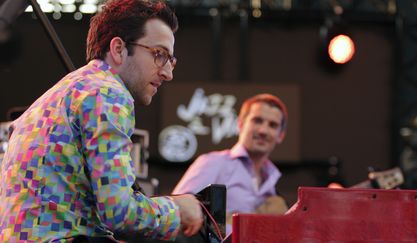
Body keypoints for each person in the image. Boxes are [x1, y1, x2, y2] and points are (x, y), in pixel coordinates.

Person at [0, 0, 203, 241]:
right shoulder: (107, 94)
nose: (168, 73)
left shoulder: (62, 94)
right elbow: (120, 213)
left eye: (171, 61)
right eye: (159, 55)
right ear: (118, 49)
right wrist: (178, 209)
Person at [173, 93, 289, 234]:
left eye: (272, 125)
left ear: (281, 135)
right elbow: (178, 209)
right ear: (240, 124)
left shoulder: (271, 182)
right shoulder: (214, 162)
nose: (263, 130)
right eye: (257, 120)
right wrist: (236, 231)